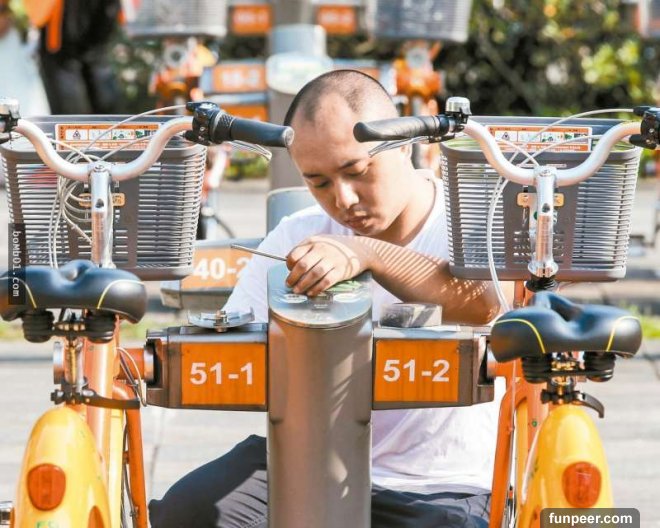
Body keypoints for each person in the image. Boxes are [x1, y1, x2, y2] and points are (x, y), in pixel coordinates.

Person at [149, 69, 503, 528]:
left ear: (403, 145)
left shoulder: (469, 223)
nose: (344, 199)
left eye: (356, 171)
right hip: (306, 466)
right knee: (188, 513)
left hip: (440, 483)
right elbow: (232, 351)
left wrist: (366, 253)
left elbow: (482, 305)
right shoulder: (296, 236)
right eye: (319, 183)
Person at [24, 0, 123, 114]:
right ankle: (110, 121)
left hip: (63, 13)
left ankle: (76, 122)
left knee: (65, 66)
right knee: (96, 60)